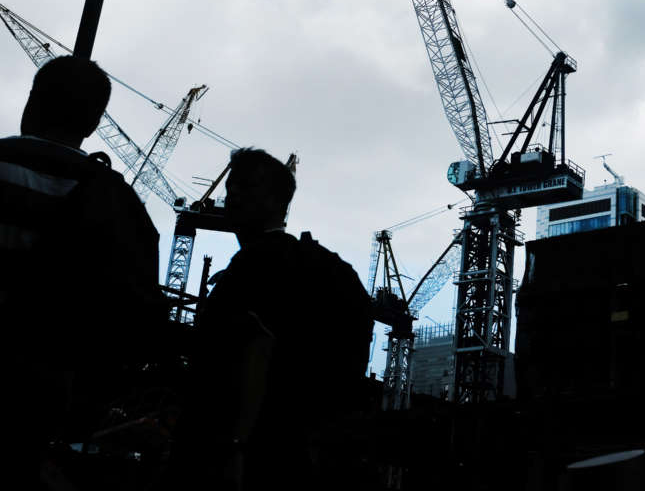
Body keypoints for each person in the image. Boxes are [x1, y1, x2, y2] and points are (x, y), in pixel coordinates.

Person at [0, 56, 163, 489]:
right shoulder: (119, 204)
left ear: (33, 101)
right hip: (46, 397)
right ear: (94, 122)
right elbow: (139, 322)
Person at [175, 147, 373, 490]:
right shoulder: (320, 267)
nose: (233, 196)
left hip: (247, 452)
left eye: (246, 187)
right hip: (299, 448)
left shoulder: (254, 267)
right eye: (231, 188)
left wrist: (235, 445)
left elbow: (256, 351)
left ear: (275, 201)